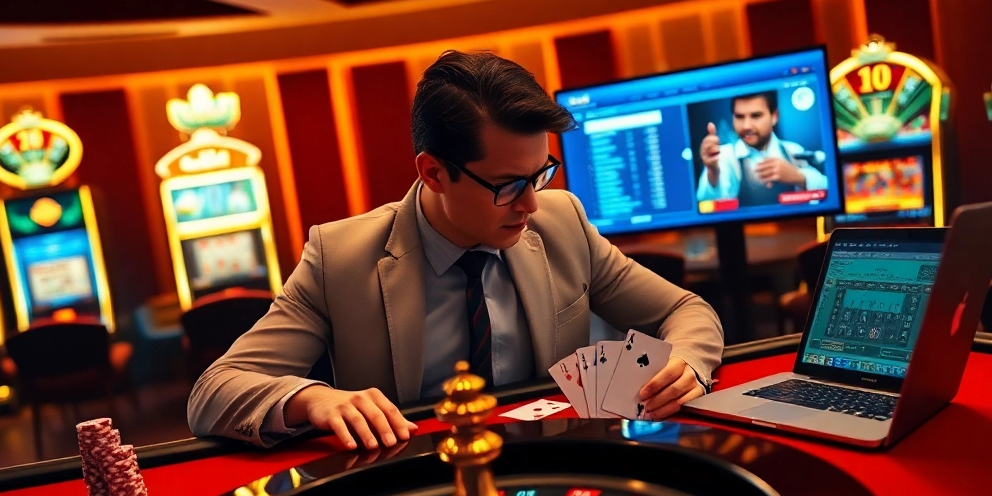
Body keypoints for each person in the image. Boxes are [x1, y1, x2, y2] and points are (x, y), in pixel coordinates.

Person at [188, 50, 725, 452]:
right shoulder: (339, 257)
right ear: (434, 172)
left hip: (554, 466)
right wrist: (314, 398)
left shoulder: (563, 222)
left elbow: (685, 311)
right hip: (412, 487)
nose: (532, 205)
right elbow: (213, 391)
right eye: (508, 184)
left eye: (541, 174)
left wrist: (687, 362)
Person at [694, 90, 828, 207]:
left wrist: (800, 178)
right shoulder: (723, 156)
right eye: (739, 117)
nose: (746, 126)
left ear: (774, 116)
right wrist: (712, 171)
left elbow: (829, 190)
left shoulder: (792, 150)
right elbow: (706, 203)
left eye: (756, 116)